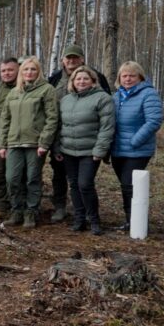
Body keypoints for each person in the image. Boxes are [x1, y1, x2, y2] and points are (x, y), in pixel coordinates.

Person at [46, 44, 112, 222]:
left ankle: (89, 215)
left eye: (75, 57)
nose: (71, 60)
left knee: (84, 182)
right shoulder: (54, 79)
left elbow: (106, 114)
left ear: (82, 59)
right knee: (59, 175)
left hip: (89, 141)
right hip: (62, 137)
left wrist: (104, 148)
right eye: (68, 58)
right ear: (63, 60)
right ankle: (60, 207)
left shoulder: (97, 78)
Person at [0, 57, 58, 229]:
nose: (29, 72)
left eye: (32, 69)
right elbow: (5, 120)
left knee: (32, 178)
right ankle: (17, 210)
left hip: (34, 143)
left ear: (38, 72)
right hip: (14, 143)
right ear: (21, 72)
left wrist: (44, 143)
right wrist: (2, 144)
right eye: (25, 69)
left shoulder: (47, 90)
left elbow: (52, 118)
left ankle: (31, 212)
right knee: (12, 179)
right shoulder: (14, 93)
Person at [55, 66, 116, 235]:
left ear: (93, 81)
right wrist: (57, 147)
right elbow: (60, 126)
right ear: (72, 82)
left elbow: (107, 127)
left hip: (90, 151)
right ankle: (79, 218)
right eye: (78, 79)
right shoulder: (66, 100)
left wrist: (100, 150)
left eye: (85, 79)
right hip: (68, 150)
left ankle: (94, 220)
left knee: (85, 184)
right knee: (74, 184)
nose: (81, 81)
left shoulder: (102, 98)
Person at [110, 61, 164, 231]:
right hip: (118, 149)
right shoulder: (117, 96)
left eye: (132, 75)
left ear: (140, 77)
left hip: (138, 149)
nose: (128, 79)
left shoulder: (148, 94)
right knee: (125, 186)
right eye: (124, 75)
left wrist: (135, 141)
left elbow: (154, 120)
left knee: (129, 184)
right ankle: (131, 220)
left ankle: (138, 222)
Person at [0, 58, 20, 219]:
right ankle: (0, 206)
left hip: (20, 140)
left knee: (18, 176)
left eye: (10, 70)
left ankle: (19, 207)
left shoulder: (25, 88)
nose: (6, 73)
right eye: (3, 70)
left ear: (18, 70)